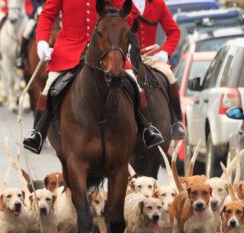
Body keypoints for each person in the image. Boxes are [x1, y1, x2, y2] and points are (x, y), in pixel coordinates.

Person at [23, 0, 164, 154]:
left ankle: (146, 128)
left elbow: (130, 11)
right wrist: (42, 41)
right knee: (49, 86)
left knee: (134, 82)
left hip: (106, 48)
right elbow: (47, 15)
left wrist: (118, 30)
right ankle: (38, 133)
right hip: (70, 47)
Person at [130, 0, 185, 140]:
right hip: (126, 56)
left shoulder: (157, 4)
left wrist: (165, 51)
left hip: (150, 56)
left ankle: (176, 121)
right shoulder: (119, 3)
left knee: (170, 75)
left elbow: (174, 31)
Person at [15, 0, 43, 69]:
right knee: (27, 32)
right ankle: (21, 57)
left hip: (53, 13)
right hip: (37, 14)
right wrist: (39, 8)